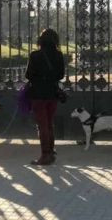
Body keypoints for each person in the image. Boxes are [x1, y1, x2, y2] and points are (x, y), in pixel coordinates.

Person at [25, 29, 65, 165]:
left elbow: (28, 75)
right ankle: (51, 151)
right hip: (52, 93)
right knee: (49, 123)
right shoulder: (59, 55)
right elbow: (61, 75)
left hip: (38, 94)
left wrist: (39, 77)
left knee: (42, 125)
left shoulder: (35, 55)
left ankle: (45, 154)